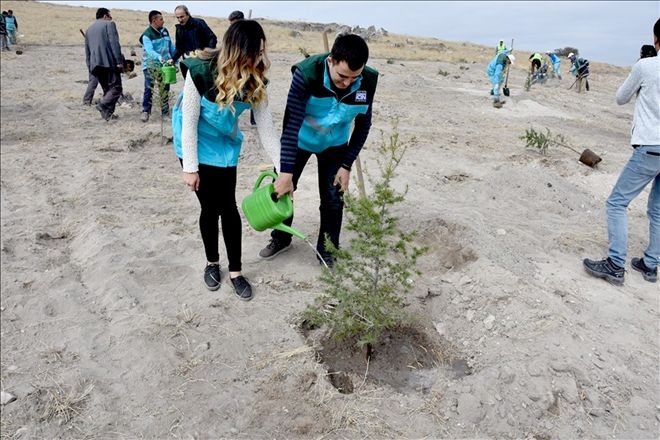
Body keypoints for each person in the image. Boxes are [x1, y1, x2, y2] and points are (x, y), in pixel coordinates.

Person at [172, 20, 280, 300]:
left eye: (258, 52)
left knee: (228, 207)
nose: (256, 58)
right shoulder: (199, 72)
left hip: (224, 145)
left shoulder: (255, 81)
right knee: (211, 207)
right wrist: (190, 167)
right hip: (195, 144)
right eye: (251, 53)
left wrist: (284, 168)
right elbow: (190, 123)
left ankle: (235, 271)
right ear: (235, 50)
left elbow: (267, 128)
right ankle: (211, 263)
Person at [259, 33, 379, 267]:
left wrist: (346, 165)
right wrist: (286, 172)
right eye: (342, 76)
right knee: (282, 189)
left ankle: (327, 249)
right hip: (300, 141)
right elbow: (291, 124)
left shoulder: (368, 81)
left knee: (333, 198)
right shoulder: (307, 74)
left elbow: (363, 125)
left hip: (335, 145)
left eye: (354, 77)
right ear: (330, 61)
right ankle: (281, 238)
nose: (347, 83)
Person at [583, 18, 660, 285]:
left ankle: (615, 264)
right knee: (658, 211)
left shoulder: (646, 66)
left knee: (616, 203)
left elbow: (620, 97)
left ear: (655, 39)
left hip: (651, 146)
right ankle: (650, 265)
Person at [85, 7, 124, 120]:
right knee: (116, 88)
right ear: (105, 16)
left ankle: (107, 115)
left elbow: (87, 51)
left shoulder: (89, 30)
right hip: (108, 63)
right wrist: (118, 61)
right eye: (110, 16)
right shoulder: (109, 24)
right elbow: (114, 43)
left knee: (107, 90)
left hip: (95, 65)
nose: (111, 18)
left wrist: (90, 66)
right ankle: (102, 105)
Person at [139, 10, 176, 122]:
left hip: (165, 66)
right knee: (149, 88)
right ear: (154, 20)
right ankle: (146, 111)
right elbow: (149, 50)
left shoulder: (165, 31)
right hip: (150, 65)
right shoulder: (147, 35)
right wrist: (159, 57)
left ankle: (165, 113)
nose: (163, 21)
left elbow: (171, 47)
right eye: (161, 19)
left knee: (165, 88)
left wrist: (176, 59)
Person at [227, 10, 256, 126]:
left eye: (233, 24)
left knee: (253, 91)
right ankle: (232, 116)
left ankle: (254, 119)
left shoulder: (251, 32)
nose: (231, 27)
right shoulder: (232, 33)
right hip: (235, 66)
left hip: (250, 66)